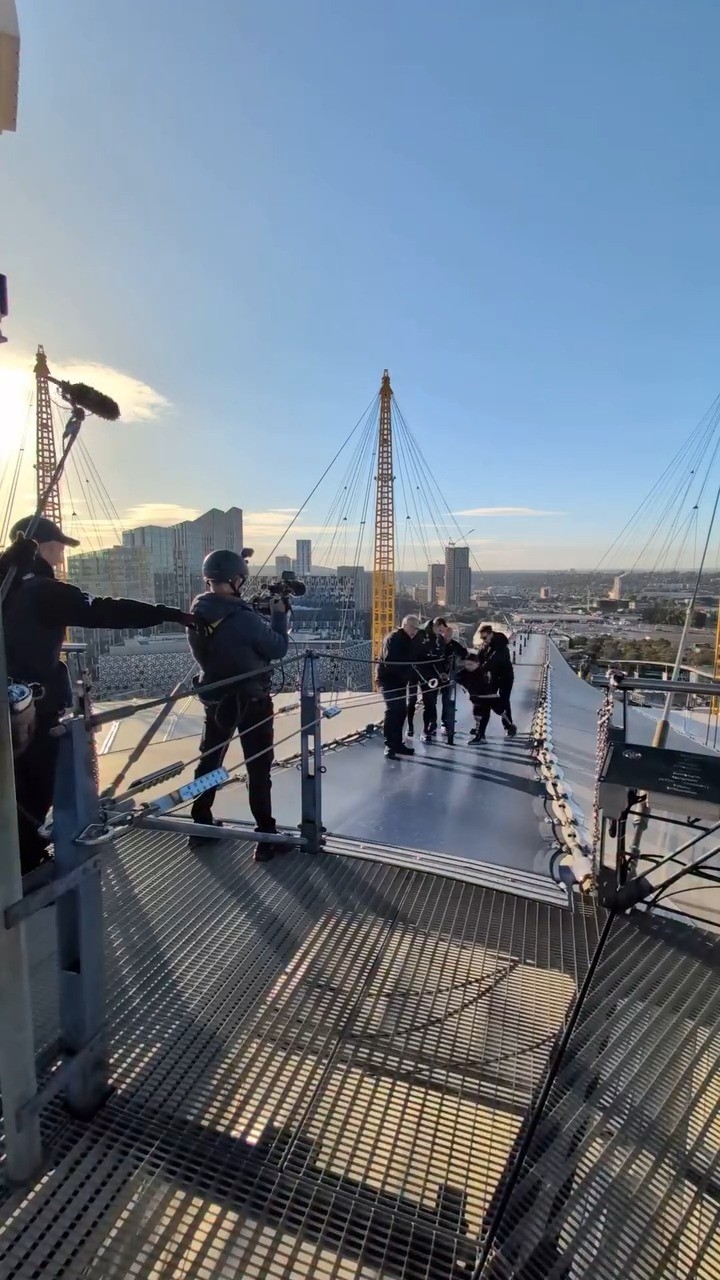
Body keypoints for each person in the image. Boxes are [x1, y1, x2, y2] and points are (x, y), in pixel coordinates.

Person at [2, 517, 202, 875]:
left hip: (11, 703)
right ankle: (27, 864)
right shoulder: (44, 592)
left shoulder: (9, 586)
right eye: (59, 545)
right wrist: (169, 615)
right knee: (34, 785)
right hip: (34, 711)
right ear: (43, 546)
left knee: (12, 785)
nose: (62, 553)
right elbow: (107, 610)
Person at [186, 548, 294, 862]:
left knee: (210, 762)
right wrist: (277, 616)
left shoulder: (197, 611)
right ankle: (265, 836)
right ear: (235, 580)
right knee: (258, 768)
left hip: (217, 698)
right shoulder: (244, 619)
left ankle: (200, 824)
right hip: (251, 701)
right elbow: (278, 648)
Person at [377, 614, 420, 758]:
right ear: (405, 625)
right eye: (414, 627)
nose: (415, 631)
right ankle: (389, 745)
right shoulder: (394, 638)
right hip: (389, 680)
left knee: (401, 711)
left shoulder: (408, 640)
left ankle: (397, 743)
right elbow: (391, 661)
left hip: (400, 680)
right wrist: (407, 673)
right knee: (393, 710)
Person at [476, 622, 517, 736]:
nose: (483, 640)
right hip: (493, 677)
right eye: (482, 638)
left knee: (504, 702)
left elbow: (494, 659)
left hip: (505, 677)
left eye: (484, 637)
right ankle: (481, 730)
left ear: (491, 634)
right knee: (487, 701)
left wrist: (482, 669)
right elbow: (478, 658)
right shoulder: (485, 646)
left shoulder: (501, 644)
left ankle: (508, 726)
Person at [433, 618, 468, 740]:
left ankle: (445, 723)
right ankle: (432, 725)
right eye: (444, 633)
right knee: (431, 701)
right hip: (435, 675)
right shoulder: (437, 643)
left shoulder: (454, 645)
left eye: (449, 634)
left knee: (446, 700)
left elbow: (465, 653)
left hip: (448, 677)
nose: (447, 635)